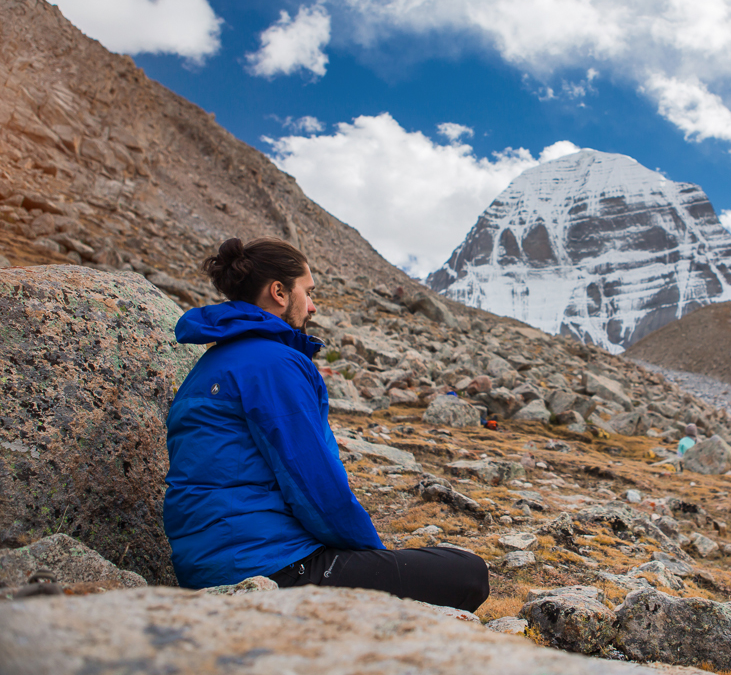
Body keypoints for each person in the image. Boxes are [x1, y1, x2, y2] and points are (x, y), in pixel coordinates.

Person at [163, 237, 488, 611]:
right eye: (308, 292)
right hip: (268, 566)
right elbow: (312, 484)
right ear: (279, 292)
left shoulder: (211, 364)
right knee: (467, 573)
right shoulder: (272, 364)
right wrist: (373, 558)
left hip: (207, 564)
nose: (313, 306)